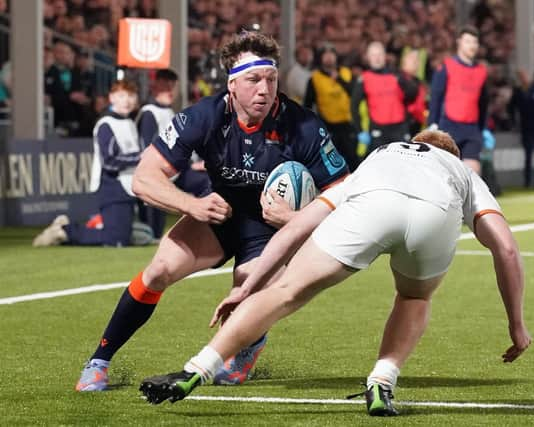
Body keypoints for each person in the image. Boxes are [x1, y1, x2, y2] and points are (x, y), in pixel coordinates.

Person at [139, 129, 532, 417]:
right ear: (451, 153)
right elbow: (506, 248)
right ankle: (382, 381)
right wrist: (516, 325)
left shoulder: (380, 156)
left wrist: (248, 289)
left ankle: (198, 369)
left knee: (289, 290)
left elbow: (294, 228)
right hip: (436, 213)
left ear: (416, 140)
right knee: (414, 296)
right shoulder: (461, 172)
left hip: (372, 201)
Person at [74, 31, 349, 392]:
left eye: (270, 79)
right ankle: (99, 361)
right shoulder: (204, 115)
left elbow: (344, 196)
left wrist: (295, 221)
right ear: (232, 85)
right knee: (159, 270)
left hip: (270, 230)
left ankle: (249, 345)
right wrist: (192, 204)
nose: (264, 89)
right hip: (217, 214)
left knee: (246, 288)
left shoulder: (304, 126)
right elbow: (143, 178)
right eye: (253, 80)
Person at [33, 79, 143, 248]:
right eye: (121, 96)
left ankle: (77, 228)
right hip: (112, 186)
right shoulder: (105, 124)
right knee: (116, 240)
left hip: (129, 186)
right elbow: (109, 162)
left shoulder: (129, 123)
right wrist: (140, 157)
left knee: (123, 237)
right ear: (112, 98)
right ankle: (65, 230)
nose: (127, 100)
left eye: (131, 96)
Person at [136, 68, 210, 239]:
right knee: (153, 230)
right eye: (165, 86)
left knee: (208, 182)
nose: (170, 90)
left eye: (173, 86)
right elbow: (148, 148)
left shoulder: (170, 112)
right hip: (161, 170)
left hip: (179, 169)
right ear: (154, 87)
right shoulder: (149, 112)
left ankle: (203, 228)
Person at [428, 26, 489, 174]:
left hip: (471, 129)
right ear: (459, 43)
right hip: (449, 126)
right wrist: (432, 124)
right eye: (468, 41)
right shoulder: (447, 66)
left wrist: (483, 128)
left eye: (475, 42)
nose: (472, 45)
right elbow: (436, 96)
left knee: (473, 172)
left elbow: (483, 103)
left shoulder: (481, 71)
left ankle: (469, 198)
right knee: (446, 173)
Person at [351, 41, 417, 157]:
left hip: (400, 129)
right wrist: (360, 130)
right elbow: (354, 106)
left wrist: (404, 82)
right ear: (368, 57)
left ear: (385, 56)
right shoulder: (364, 79)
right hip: (378, 131)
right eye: (373, 55)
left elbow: (412, 95)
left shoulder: (397, 74)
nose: (376, 58)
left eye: (379, 54)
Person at [304, 45, 359, 171]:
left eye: (331, 53)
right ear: (321, 58)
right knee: (331, 163)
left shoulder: (346, 72)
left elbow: (354, 93)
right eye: (325, 54)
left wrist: (339, 79)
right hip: (328, 127)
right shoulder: (315, 78)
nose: (329, 57)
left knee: (352, 159)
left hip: (347, 124)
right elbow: (308, 104)